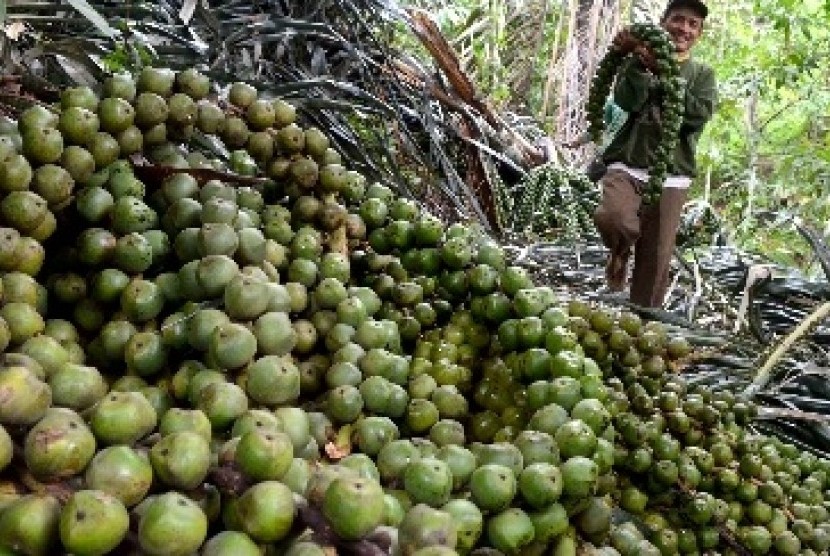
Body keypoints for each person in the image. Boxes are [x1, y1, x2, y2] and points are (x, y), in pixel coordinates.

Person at [593, 0, 716, 307]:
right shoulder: (636, 61)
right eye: (678, 19)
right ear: (663, 22)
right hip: (627, 165)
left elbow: (697, 116)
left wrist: (665, 74)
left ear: (699, 33)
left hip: (671, 175)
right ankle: (619, 255)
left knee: (656, 257)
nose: (684, 29)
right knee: (614, 218)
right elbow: (627, 101)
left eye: (693, 24)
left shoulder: (701, 74)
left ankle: (642, 322)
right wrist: (636, 62)